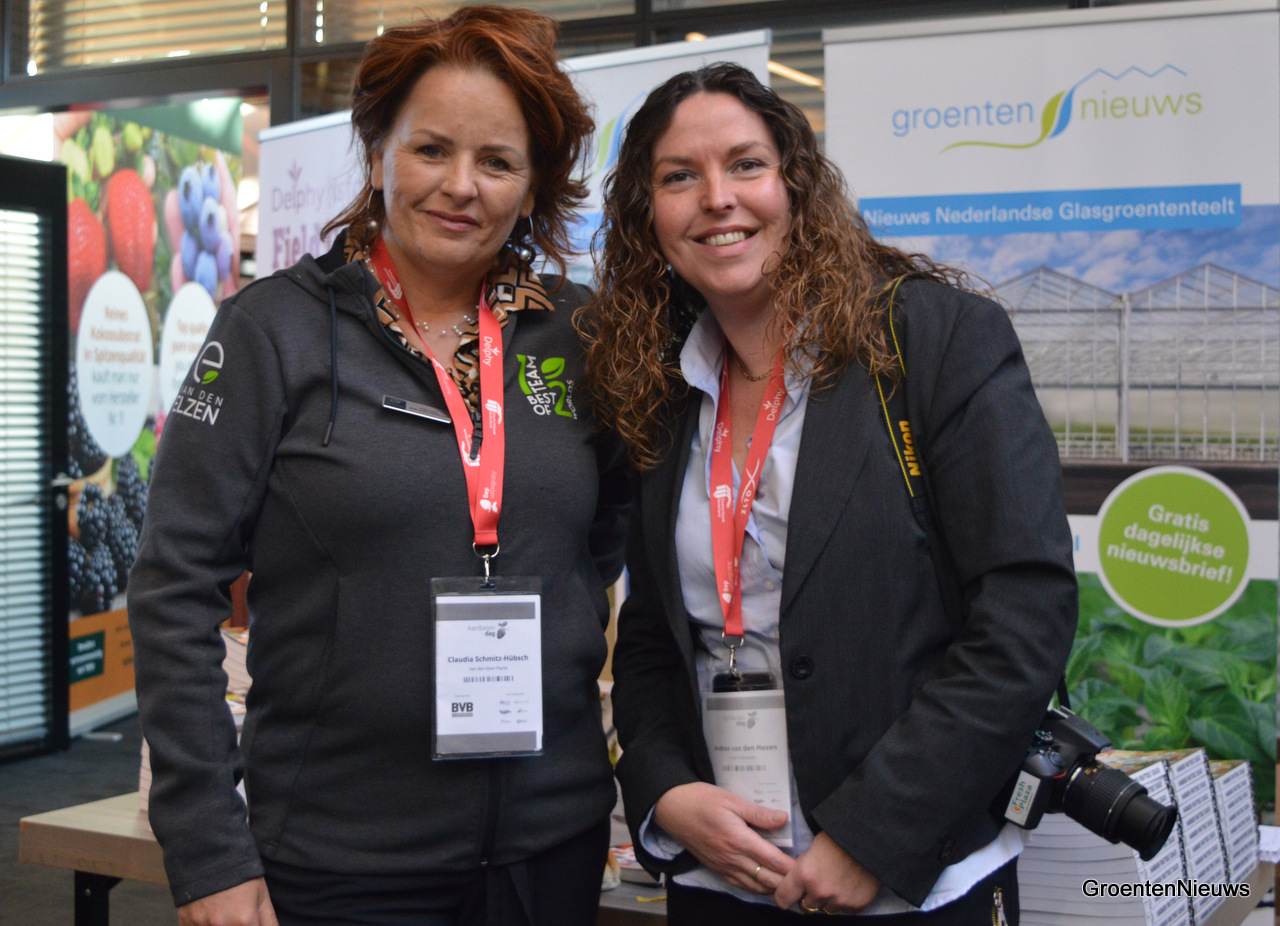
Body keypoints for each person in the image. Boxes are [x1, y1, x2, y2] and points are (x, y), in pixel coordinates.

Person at [129, 8, 627, 925]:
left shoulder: (583, 335)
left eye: (498, 162)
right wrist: (206, 850)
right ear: (377, 156)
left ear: (533, 187)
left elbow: (596, 546)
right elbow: (173, 587)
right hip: (340, 858)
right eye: (431, 149)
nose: (460, 186)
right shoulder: (272, 333)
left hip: (550, 847)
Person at [576, 63, 1077, 923]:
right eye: (679, 177)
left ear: (796, 185)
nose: (717, 199)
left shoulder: (933, 340)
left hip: (910, 880)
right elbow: (655, 633)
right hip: (724, 876)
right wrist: (665, 791)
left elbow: (1023, 614)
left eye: (746, 165)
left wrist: (874, 833)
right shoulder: (660, 386)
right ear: (645, 215)